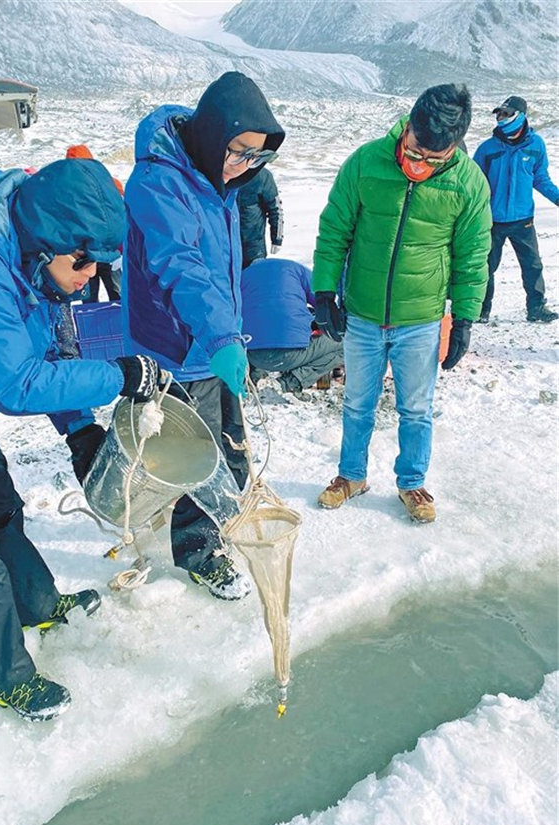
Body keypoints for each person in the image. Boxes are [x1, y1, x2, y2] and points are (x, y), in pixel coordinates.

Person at [0, 159, 161, 721]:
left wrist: (80, 429)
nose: (89, 274)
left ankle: (39, 606)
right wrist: (121, 374)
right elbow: (16, 383)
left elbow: (49, 349)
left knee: (2, 514)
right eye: (83, 261)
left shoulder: (24, 258)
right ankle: (6, 679)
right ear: (47, 242)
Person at [122, 71, 285, 600]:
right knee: (200, 455)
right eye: (239, 152)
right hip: (179, 343)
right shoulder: (159, 182)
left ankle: (218, 524)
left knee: (233, 447)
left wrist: (230, 332)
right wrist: (220, 337)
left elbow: (220, 267)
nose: (245, 167)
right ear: (214, 134)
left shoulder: (219, 181)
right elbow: (182, 267)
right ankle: (199, 551)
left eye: (257, 158)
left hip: (214, 339)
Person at [313, 83, 492, 524]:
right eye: (415, 153)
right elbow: (335, 229)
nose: (420, 165)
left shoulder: (468, 183)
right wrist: (323, 291)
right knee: (357, 402)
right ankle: (350, 476)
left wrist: (465, 317)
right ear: (407, 127)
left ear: (453, 148)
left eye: (434, 160)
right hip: (364, 313)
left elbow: (472, 258)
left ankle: (412, 484)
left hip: (421, 319)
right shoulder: (365, 163)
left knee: (416, 408)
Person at [473, 96, 559, 323]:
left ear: (520, 116)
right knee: (485, 267)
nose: (501, 118)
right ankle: (481, 310)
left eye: (506, 113)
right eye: (499, 114)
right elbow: (474, 185)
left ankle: (536, 309)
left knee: (532, 265)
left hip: (523, 220)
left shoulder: (536, 145)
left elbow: (541, 179)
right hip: (492, 220)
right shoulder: (486, 148)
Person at [241, 258, 343, 392]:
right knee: (346, 343)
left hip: (252, 356)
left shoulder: (242, 276)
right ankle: (294, 381)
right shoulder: (296, 270)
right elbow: (322, 303)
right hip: (291, 354)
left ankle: (256, 376)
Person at [66, 144, 123, 302]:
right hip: (89, 256)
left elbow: (122, 219)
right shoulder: (67, 191)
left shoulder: (111, 185)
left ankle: (123, 326)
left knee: (117, 298)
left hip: (104, 255)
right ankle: (120, 326)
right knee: (93, 300)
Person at [237, 165, 283, 269]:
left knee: (254, 283)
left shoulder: (262, 175)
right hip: (225, 249)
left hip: (254, 250)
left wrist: (277, 239)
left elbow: (275, 209)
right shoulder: (221, 173)